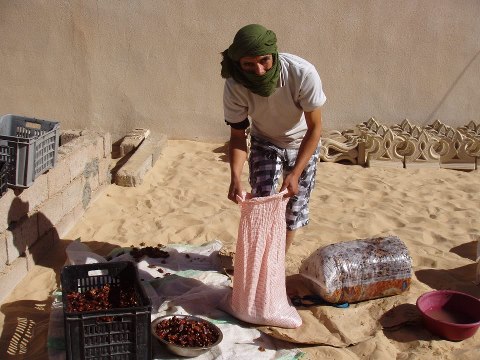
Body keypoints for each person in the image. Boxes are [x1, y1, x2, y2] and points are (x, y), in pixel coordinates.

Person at [220, 24, 327, 252]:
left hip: (302, 142)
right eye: (248, 64)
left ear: (274, 55)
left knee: (293, 208)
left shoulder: (302, 73)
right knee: (263, 202)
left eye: (264, 61)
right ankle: (262, 257)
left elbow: (315, 128)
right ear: (238, 63)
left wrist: (296, 173)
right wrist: (235, 177)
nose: (258, 70)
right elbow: (238, 136)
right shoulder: (235, 85)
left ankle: (276, 261)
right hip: (265, 140)